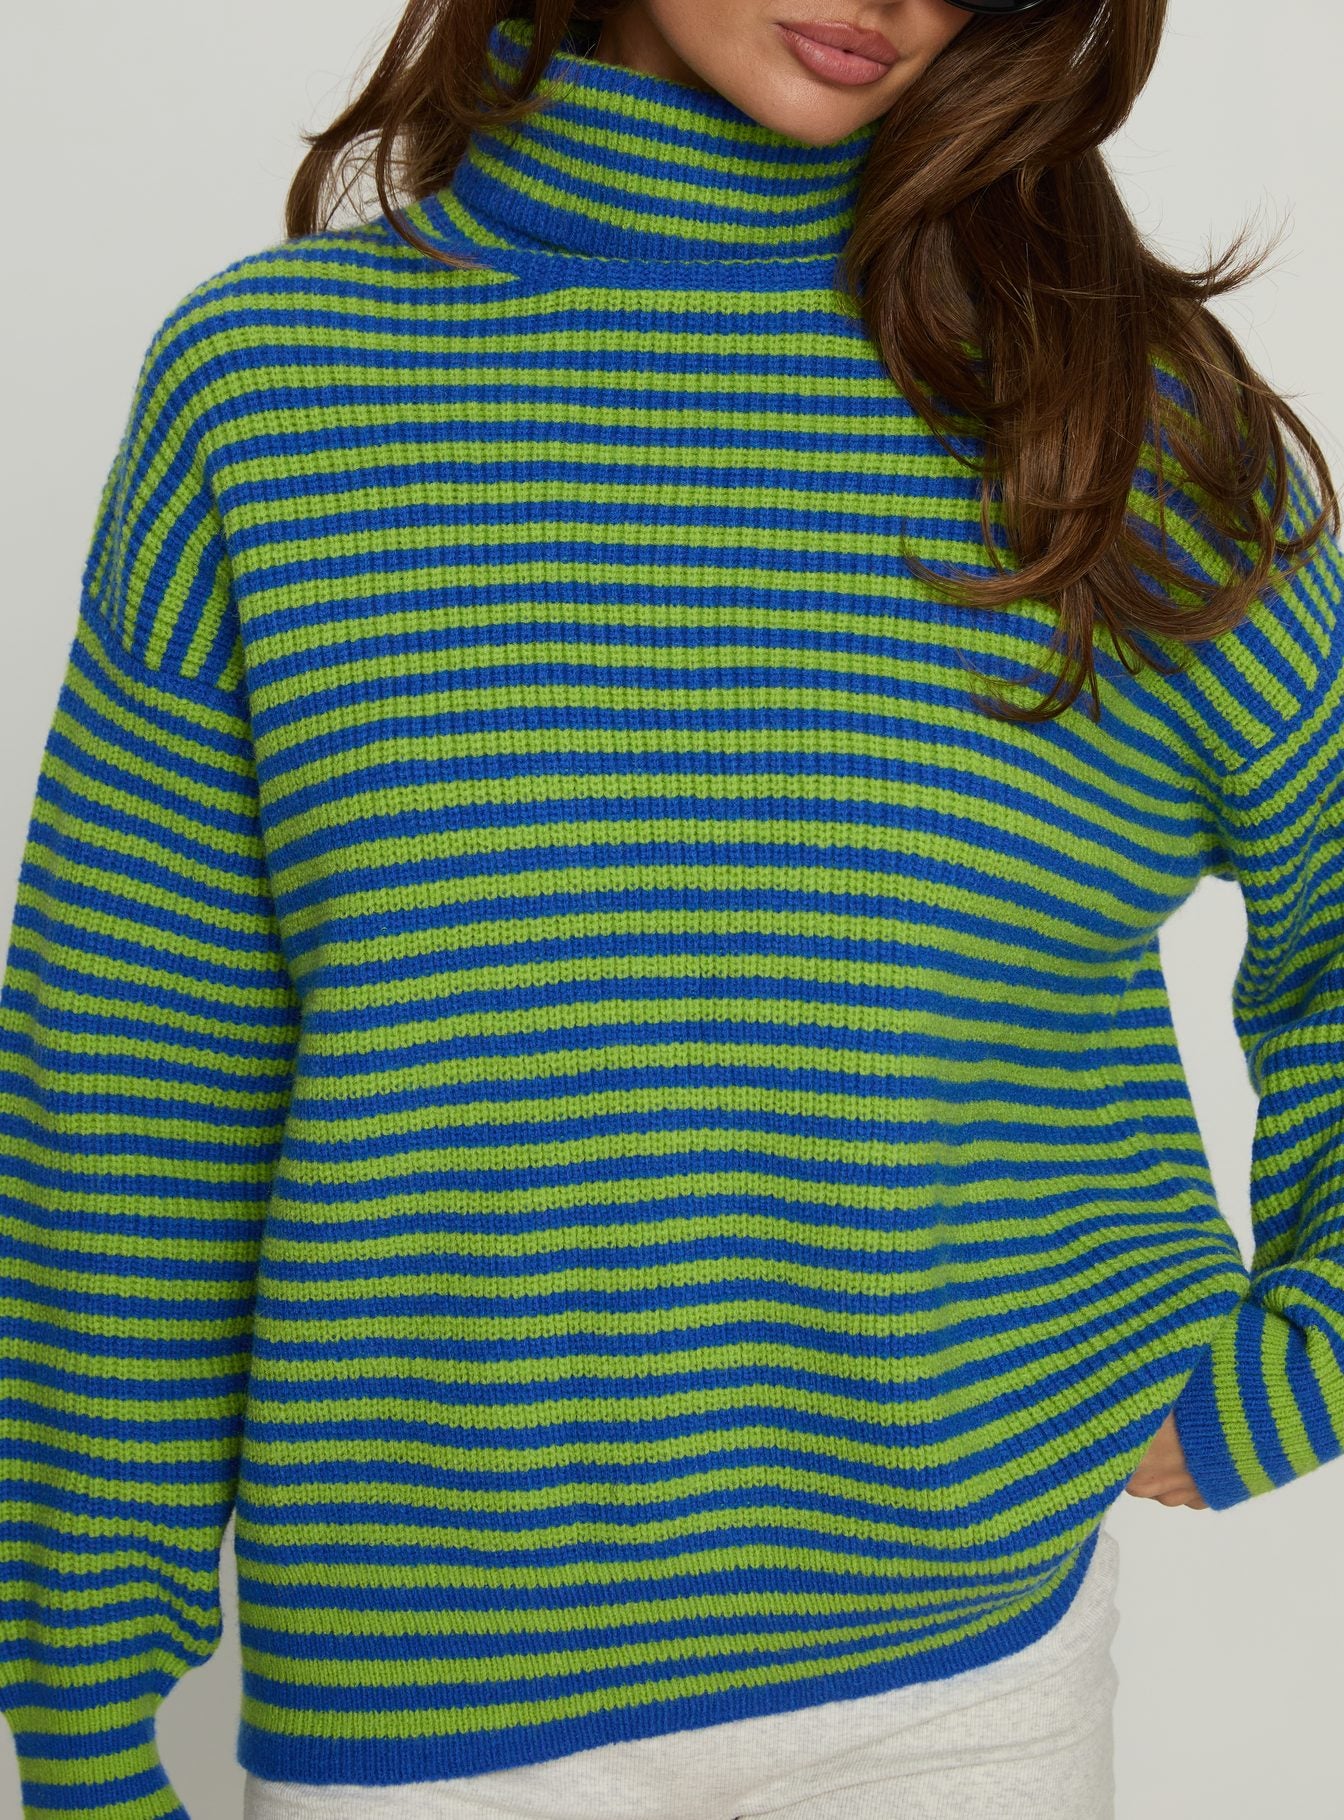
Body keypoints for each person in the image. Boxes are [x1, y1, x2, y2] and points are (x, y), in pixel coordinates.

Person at [2, 2, 1341, 1817]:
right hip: (425, 1711)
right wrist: (83, 1714)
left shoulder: (1102, 409)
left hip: (967, 1683)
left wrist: (1309, 1350)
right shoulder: (273, 392)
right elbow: (130, 1088)